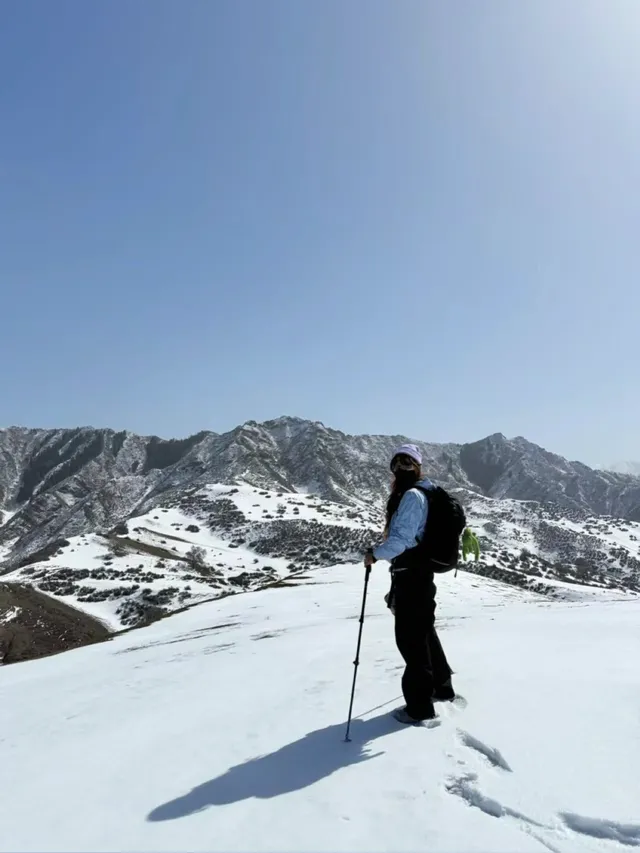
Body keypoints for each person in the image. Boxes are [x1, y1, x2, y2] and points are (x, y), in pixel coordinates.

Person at [364, 443, 455, 725]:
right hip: (418, 574)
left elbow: (401, 541)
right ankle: (443, 688)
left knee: (411, 641)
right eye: (397, 463)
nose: (401, 468)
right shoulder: (418, 493)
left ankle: (419, 708)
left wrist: (374, 555)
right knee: (424, 632)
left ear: (417, 467)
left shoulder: (412, 497)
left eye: (407, 463)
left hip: (411, 575)